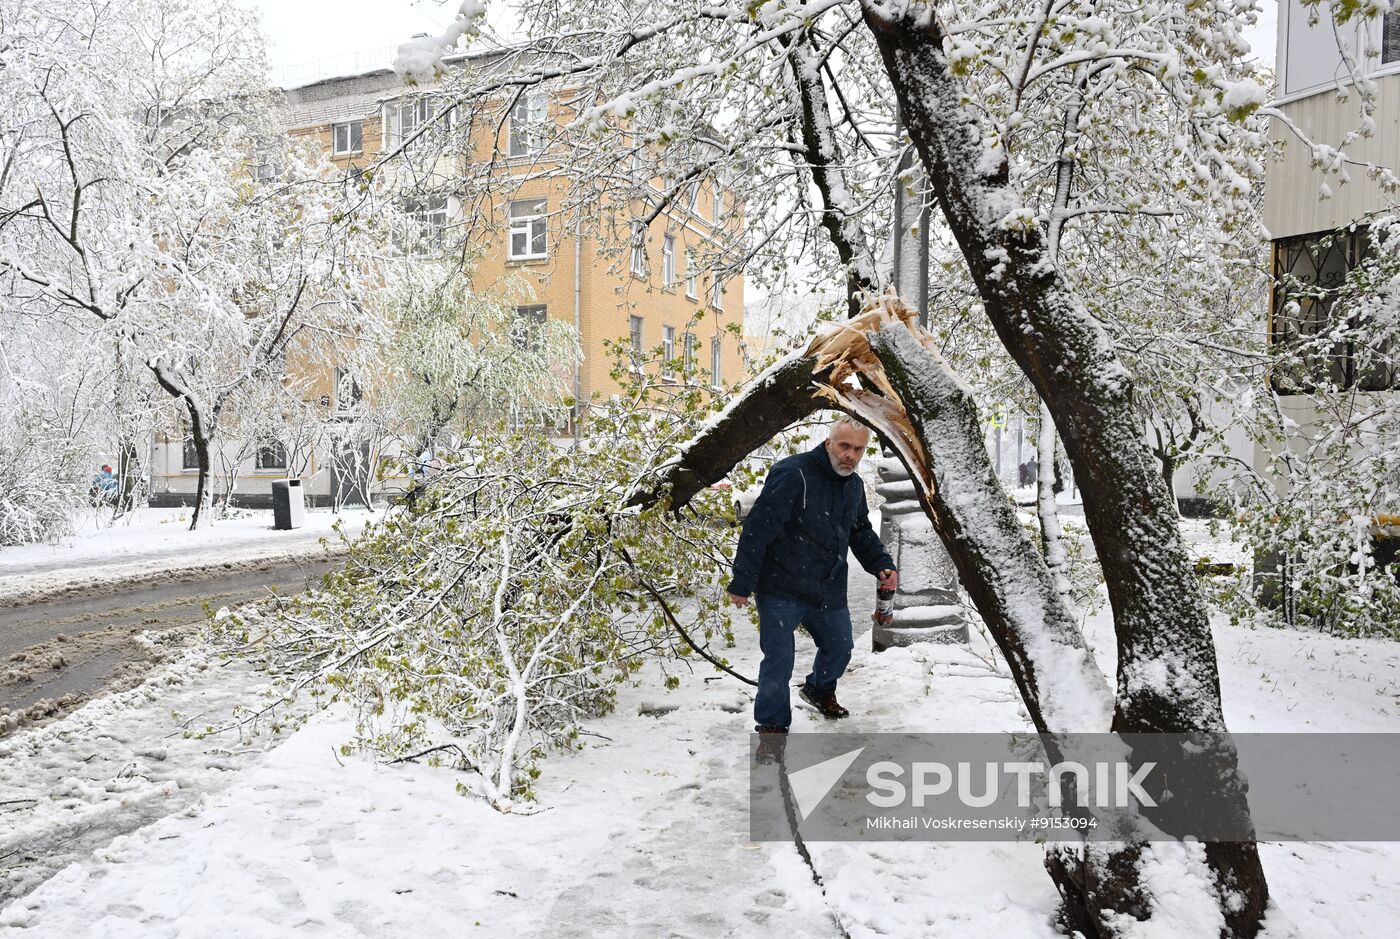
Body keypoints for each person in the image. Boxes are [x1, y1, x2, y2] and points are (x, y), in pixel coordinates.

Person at [726, 417, 898, 739]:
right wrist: (742, 582)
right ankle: (772, 728)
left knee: (840, 647)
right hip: (781, 586)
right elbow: (758, 529)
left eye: (858, 449)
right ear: (829, 442)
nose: (851, 455)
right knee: (778, 661)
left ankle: (818, 689)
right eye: (845, 446)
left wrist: (881, 564)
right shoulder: (793, 474)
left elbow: (859, 531)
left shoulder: (855, 485)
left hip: (827, 587)